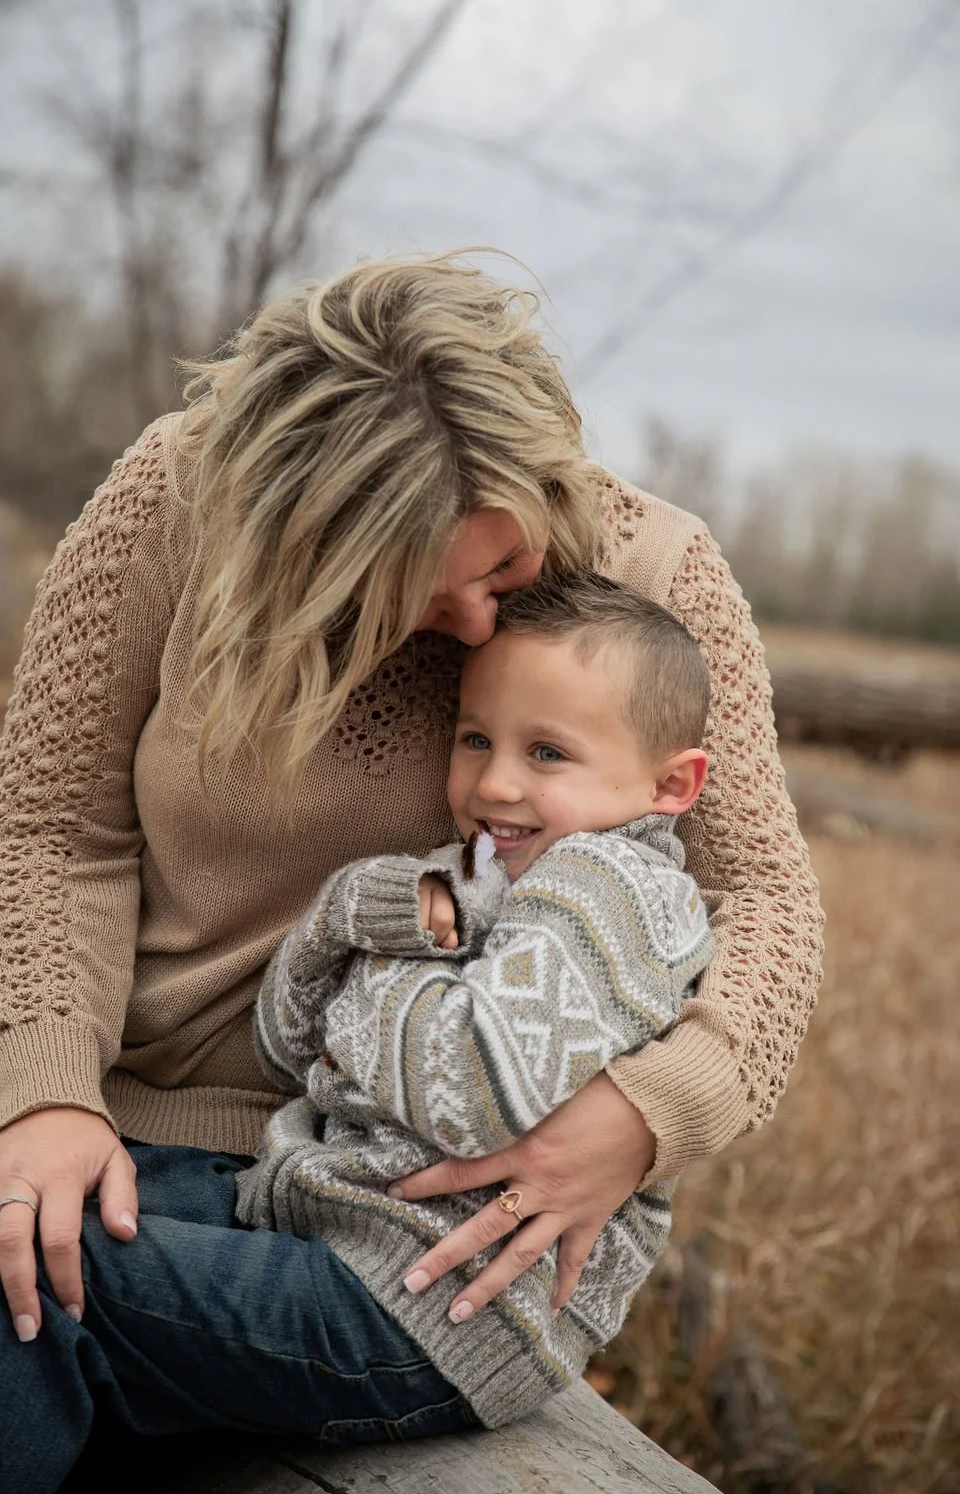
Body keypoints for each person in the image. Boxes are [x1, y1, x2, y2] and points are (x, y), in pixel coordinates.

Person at [0, 252, 824, 1487]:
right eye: (412, 598)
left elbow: (764, 899)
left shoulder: (655, 577)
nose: (484, 630)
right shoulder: (173, 502)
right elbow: (53, 832)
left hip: (382, 1198)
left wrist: (646, 1117)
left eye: (501, 574)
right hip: (128, 1115)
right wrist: (48, 1091)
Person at [237, 571, 716, 1428]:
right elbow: (285, 1043)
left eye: (547, 753)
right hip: (345, 1227)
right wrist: (359, 904)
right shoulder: (481, 873)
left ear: (671, 786)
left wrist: (371, 967)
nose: (494, 785)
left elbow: (465, 1088)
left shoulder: (612, 888)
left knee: (67, 1295)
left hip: (437, 1303)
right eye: (474, 739)